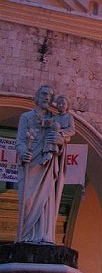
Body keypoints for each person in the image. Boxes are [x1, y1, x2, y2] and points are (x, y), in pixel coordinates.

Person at [15, 85, 71, 244]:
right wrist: (23, 150)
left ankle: (43, 236)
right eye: (44, 94)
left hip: (46, 165)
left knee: (46, 201)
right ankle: (25, 237)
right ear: (37, 96)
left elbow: (62, 141)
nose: (47, 97)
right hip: (30, 163)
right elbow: (19, 140)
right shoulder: (26, 117)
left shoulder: (55, 119)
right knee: (27, 202)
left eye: (51, 95)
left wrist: (60, 142)